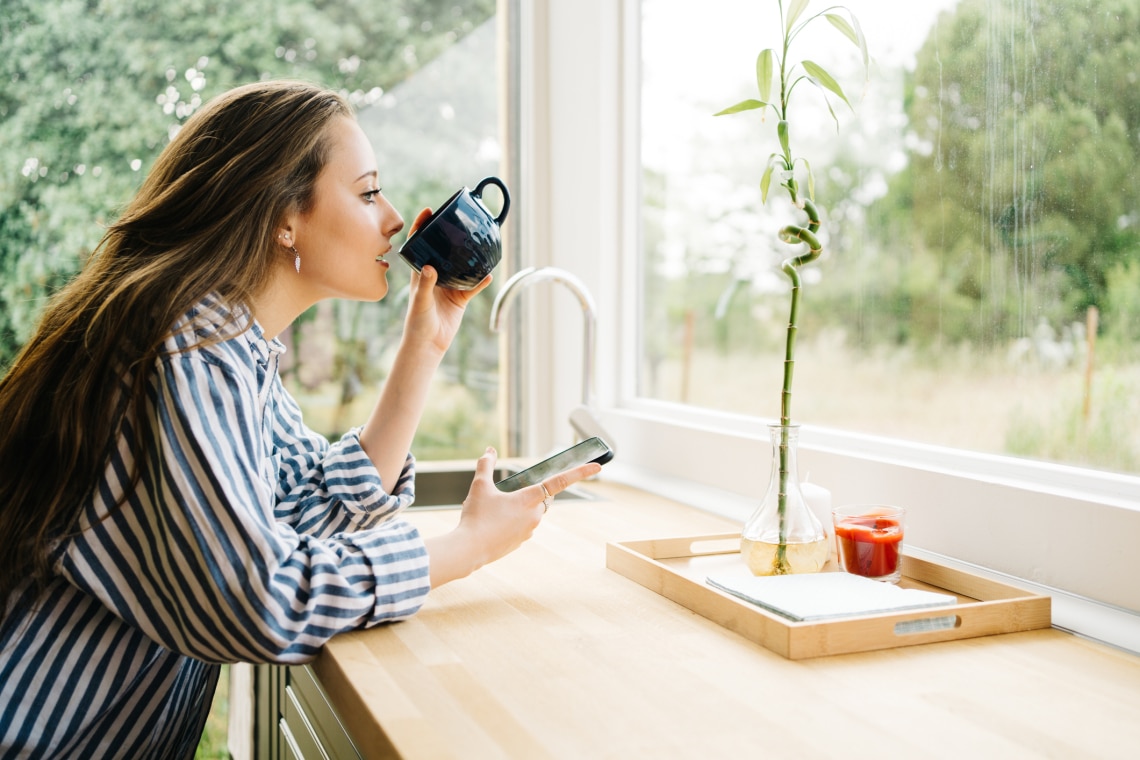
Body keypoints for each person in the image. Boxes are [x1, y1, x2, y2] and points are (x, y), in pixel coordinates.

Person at [0, 79, 600, 758]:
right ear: (284, 217)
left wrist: (423, 348)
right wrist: (466, 548)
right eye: (369, 192)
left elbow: (298, 511)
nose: (396, 219)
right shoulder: (181, 348)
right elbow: (259, 596)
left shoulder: (232, 344)